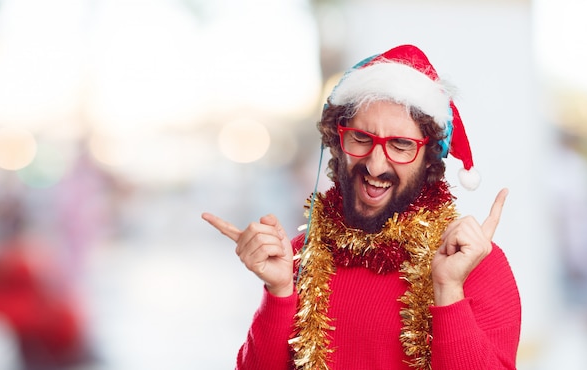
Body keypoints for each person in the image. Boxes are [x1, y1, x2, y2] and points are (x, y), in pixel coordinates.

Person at [202, 44, 521, 370]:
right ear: (336, 142)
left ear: (429, 159)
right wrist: (280, 290)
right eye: (361, 137)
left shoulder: (475, 264)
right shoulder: (301, 256)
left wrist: (449, 290)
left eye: (401, 145)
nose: (375, 164)